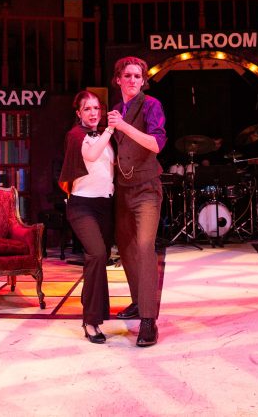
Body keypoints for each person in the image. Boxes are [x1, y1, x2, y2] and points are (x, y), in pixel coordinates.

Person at [107, 56, 167, 347]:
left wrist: (123, 126)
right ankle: (137, 301)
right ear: (118, 79)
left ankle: (148, 319)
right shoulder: (116, 109)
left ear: (143, 81)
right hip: (123, 187)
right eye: (127, 75)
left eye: (137, 76)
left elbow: (156, 143)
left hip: (146, 188)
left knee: (144, 248)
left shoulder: (151, 105)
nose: (132, 80)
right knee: (127, 248)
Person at [58, 90, 116, 344]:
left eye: (96, 108)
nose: (93, 113)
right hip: (82, 205)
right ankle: (90, 321)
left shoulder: (105, 138)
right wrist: (110, 130)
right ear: (79, 113)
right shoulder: (76, 135)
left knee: (99, 261)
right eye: (87, 109)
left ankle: (93, 312)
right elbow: (91, 156)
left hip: (106, 205)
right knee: (97, 254)